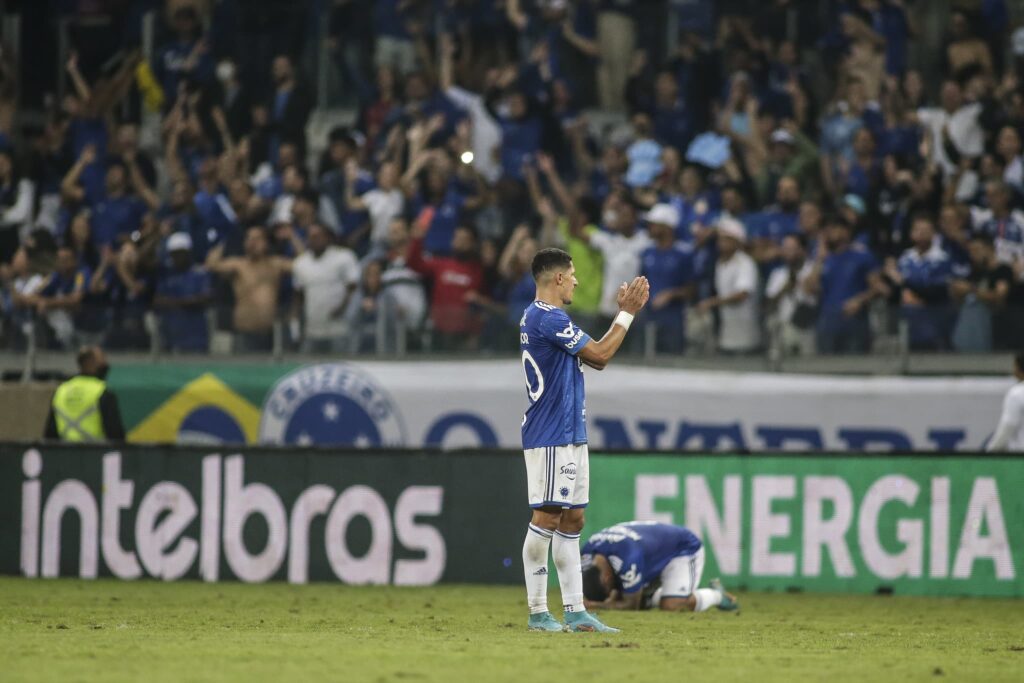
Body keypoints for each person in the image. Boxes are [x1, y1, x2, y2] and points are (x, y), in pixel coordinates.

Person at [519, 247, 649, 633]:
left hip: (571, 432)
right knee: (546, 517)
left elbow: (591, 358)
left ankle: (576, 612)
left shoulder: (544, 318)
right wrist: (627, 313)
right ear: (558, 278)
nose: (576, 280)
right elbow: (601, 355)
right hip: (551, 434)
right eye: (572, 273)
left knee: (573, 519)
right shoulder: (546, 317)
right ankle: (539, 611)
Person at [580, 521, 739, 613]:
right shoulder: (587, 554)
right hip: (653, 551)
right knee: (631, 596)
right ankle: (654, 595)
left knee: (671, 605)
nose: (610, 593)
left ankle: (717, 595)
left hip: (682, 548)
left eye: (608, 590)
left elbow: (631, 605)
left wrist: (600, 605)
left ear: (607, 578)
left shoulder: (628, 557)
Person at [206, 226, 296, 352]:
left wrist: (292, 237)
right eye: (248, 239)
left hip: (271, 334)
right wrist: (222, 242)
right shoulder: (238, 265)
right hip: (244, 333)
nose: (252, 242)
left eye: (257, 239)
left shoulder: (276, 264)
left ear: (266, 243)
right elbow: (211, 265)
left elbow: (303, 265)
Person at [291, 223, 361, 353]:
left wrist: (342, 307)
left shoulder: (344, 257)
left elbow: (354, 287)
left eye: (318, 236)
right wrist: (295, 324)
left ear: (328, 237)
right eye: (311, 236)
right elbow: (298, 295)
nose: (314, 239)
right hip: (312, 330)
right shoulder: (301, 263)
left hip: (340, 329)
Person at [698, 217, 761, 354]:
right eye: (720, 239)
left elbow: (742, 294)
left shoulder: (745, 263)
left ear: (737, 242)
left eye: (726, 239)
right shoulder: (720, 263)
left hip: (745, 333)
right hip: (727, 332)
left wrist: (712, 302)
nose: (721, 243)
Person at [43, 346, 125, 442]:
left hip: (66, 454)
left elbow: (50, 434)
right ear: (90, 363)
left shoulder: (61, 391)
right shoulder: (102, 392)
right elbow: (116, 435)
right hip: (95, 454)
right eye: (102, 360)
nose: (105, 364)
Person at [152, 232, 212, 353]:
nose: (177, 257)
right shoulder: (167, 275)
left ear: (188, 252)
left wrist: (174, 302)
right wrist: (186, 301)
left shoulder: (199, 273)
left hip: (196, 338)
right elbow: (157, 300)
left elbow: (205, 298)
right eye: (174, 254)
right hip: (169, 336)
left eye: (180, 253)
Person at [986, 352, 1024, 451]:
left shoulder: (1017, 393)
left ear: (1019, 369)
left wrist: (990, 451)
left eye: (1014, 366)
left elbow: (1008, 427)